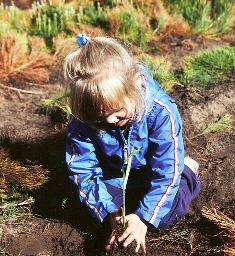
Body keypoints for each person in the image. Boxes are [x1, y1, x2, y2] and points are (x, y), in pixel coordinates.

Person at [64, 33, 201, 254]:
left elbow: (166, 172)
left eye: (116, 111)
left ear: (135, 83)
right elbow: (83, 169)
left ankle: (188, 171)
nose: (109, 120)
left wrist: (143, 219)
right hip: (116, 177)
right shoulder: (82, 119)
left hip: (153, 173)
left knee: (163, 217)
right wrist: (108, 210)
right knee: (92, 215)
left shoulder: (160, 111)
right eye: (100, 117)